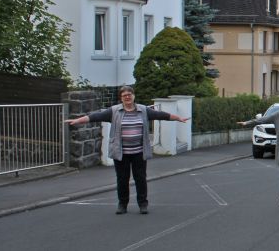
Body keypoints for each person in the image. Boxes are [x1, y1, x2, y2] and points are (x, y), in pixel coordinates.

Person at [64, 85, 189, 215]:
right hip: (121, 152)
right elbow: (96, 116)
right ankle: (122, 204)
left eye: (129, 94)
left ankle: (143, 204)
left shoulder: (144, 110)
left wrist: (178, 118)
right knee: (122, 179)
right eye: (124, 96)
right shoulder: (114, 111)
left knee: (140, 178)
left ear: (134, 96)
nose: (127, 97)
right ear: (121, 98)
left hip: (139, 152)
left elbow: (161, 115)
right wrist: (78, 120)